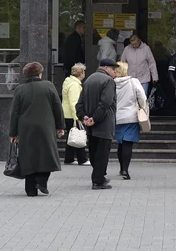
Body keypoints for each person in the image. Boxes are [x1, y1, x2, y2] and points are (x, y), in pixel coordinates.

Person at [9, 62, 65, 197]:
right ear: (40, 73)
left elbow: (14, 113)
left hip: (25, 128)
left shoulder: (20, 90)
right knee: (47, 154)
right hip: (46, 126)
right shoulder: (48, 86)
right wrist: (60, 126)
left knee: (28, 156)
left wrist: (13, 133)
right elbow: (57, 107)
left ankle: (30, 189)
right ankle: (42, 180)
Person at [76, 58, 119, 190]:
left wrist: (84, 117)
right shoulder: (108, 81)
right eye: (113, 70)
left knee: (94, 151)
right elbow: (106, 102)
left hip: (90, 125)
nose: (115, 73)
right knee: (102, 152)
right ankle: (98, 180)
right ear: (105, 68)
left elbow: (79, 104)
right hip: (103, 124)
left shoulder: (88, 80)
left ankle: (99, 176)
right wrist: (95, 118)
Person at [113, 61, 147, 180]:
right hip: (131, 116)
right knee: (128, 143)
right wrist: (143, 109)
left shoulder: (111, 83)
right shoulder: (133, 82)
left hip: (116, 117)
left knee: (120, 143)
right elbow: (142, 97)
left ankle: (121, 166)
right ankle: (125, 170)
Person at [62, 63, 88, 165]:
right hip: (72, 115)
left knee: (71, 135)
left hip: (68, 114)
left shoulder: (69, 82)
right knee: (79, 135)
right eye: (84, 72)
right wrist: (77, 117)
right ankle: (82, 159)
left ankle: (69, 158)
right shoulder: (74, 85)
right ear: (81, 73)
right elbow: (74, 102)